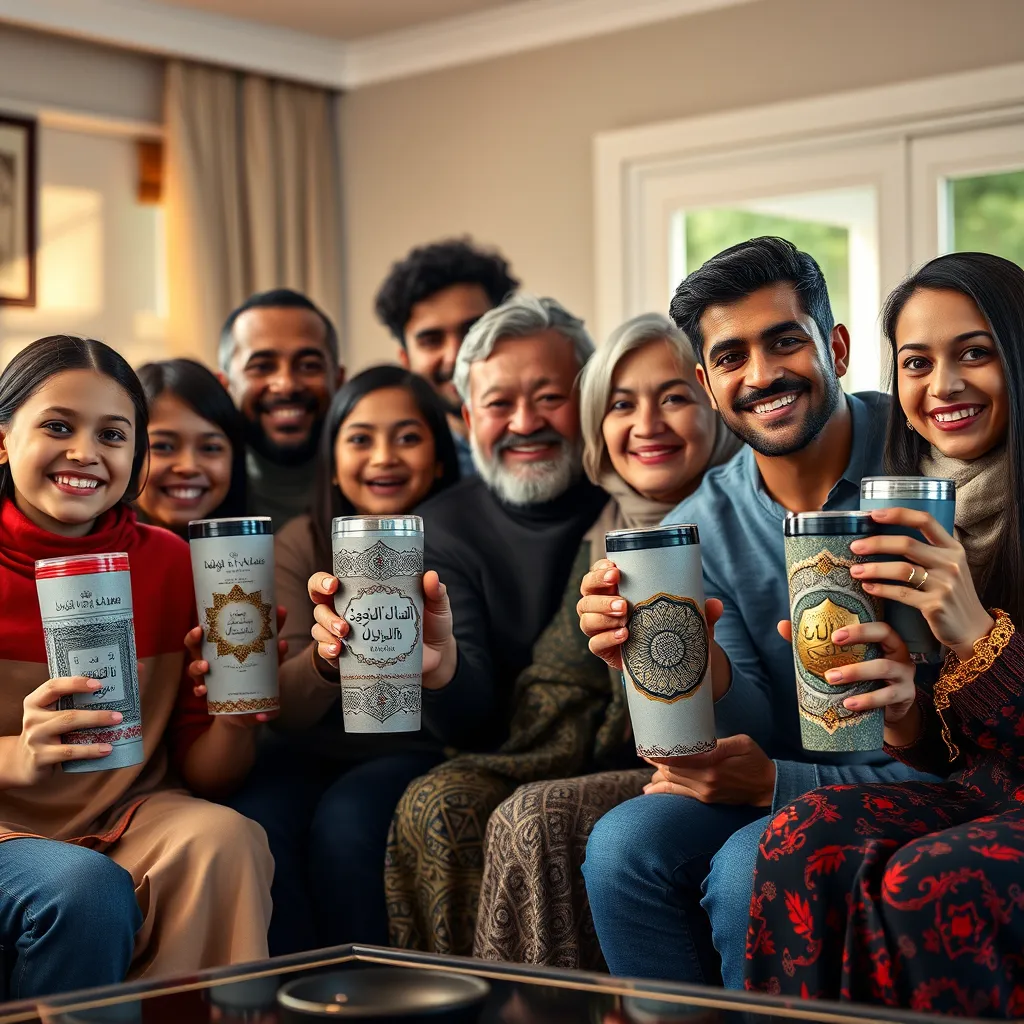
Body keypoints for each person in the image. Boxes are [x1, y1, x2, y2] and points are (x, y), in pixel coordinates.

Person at [577, 237, 936, 987]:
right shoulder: (699, 524)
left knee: (752, 867)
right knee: (622, 846)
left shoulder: (922, 455)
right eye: (733, 357)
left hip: (934, 768)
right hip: (795, 767)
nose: (763, 374)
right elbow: (757, 726)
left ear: (834, 346)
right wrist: (692, 660)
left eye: (784, 342)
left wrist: (775, 784)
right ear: (708, 383)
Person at [745, 253, 1024, 1018]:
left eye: (976, 352)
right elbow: (956, 757)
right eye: (916, 362)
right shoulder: (912, 501)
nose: (944, 386)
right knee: (801, 838)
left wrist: (974, 630)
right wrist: (903, 706)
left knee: (925, 880)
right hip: (986, 793)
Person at [0, 335, 272, 999]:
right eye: (58, 426)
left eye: (113, 434)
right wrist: (17, 756)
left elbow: (207, 771)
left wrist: (237, 717)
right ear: (3, 439)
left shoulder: (172, 561)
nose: (85, 453)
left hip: (129, 815)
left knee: (226, 839)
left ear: (136, 454)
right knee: (81, 887)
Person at [468, 313, 742, 970]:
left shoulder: (740, 518)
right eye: (622, 404)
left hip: (733, 766)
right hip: (631, 766)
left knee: (534, 816)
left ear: (714, 402)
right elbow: (559, 687)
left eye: (673, 397)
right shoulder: (601, 533)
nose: (646, 424)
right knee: (450, 797)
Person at [371, 294, 607, 953]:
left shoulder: (630, 494)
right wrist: (439, 673)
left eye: (549, 397)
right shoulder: (442, 529)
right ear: (470, 417)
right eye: (500, 404)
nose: (525, 422)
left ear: (587, 400)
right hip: (502, 754)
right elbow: (470, 720)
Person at [213, 365, 460, 955]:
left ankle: (368, 997)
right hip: (313, 748)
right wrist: (327, 661)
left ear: (442, 456)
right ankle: (293, 997)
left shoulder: (459, 535)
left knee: (346, 825)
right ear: (332, 457)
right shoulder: (302, 540)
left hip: (416, 746)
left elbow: (474, 684)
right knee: (258, 824)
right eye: (360, 438)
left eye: (407, 436)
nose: (383, 457)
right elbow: (288, 710)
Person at [375, 238, 519, 477]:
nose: (456, 356)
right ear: (406, 360)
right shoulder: (399, 474)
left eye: (473, 331)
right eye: (431, 340)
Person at [218, 288, 345, 526]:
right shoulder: (200, 492)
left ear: (338, 380)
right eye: (262, 367)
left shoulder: (377, 484)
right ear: (225, 385)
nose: (287, 385)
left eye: (308, 366)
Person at [135, 358, 247, 536]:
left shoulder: (259, 552)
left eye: (210, 448)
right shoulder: (97, 558)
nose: (188, 467)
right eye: (163, 446)